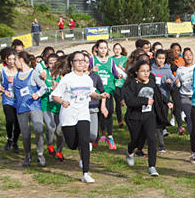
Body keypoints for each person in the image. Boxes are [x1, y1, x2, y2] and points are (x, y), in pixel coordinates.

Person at [51, 51, 101, 183]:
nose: (80, 63)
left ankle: (85, 173)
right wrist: (62, 102)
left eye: (83, 60)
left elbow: (92, 93)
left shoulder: (88, 79)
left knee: (85, 140)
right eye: (77, 60)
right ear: (72, 63)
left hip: (83, 113)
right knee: (73, 145)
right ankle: (61, 128)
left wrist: (101, 95)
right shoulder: (67, 78)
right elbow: (55, 95)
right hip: (68, 114)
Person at [123, 59, 170, 177]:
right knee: (136, 141)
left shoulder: (151, 82)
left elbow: (158, 95)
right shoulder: (131, 84)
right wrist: (145, 101)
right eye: (143, 71)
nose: (146, 73)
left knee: (151, 139)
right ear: (136, 72)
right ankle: (129, 151)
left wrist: (167, 102)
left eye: (148, 71)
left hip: (149, 116)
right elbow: (129, 101)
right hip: (134, 117)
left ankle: (152, 166)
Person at [13, 51, 47, 167]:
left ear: (21, 60)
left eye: (15, 60)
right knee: (26, 134)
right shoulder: (15, 76)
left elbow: (44, 87)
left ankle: (40, 153)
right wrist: (8, 93)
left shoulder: (33, 73)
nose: (14, 63)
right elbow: (15, 93)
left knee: (38, 130)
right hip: (21, 109)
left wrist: (37, 94)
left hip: (34, 107)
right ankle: (27, 155)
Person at [90, 40, 122, 149]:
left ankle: (110, 136)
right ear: (97, 49)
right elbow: (86, 73)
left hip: (108, 91)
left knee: (108, 113)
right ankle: (96, 136)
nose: (103, 50)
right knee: (97, 114)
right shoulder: (92, 60)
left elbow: (115, 73)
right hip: (96, 93)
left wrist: (119, 76)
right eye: (101, 48)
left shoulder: (111, 61)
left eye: (105, 48)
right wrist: (91, 70)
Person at [151, 49, 176, 153]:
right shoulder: (151, 69)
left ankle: (161, 143)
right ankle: (156, 143)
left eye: (163, 59)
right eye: (159, 58)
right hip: (152, 98)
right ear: (155, 58)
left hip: (164, 99)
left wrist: (170, 83)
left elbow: (173, 85)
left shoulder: (168, 70)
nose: (160, 60)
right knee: (152, 121)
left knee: (161, 121)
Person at [0, 48, 21, 153]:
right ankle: (9, 139)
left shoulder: (21, 71)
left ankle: (15, 142)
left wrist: (15, 81)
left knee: (18, 122)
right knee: (9, 120)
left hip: (19, 99)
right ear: (6, 60)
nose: (12, 61)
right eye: (9, 59)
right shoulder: (3, 70)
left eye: (14, 59)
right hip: (7, 98)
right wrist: (0, 88)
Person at [112, 43, 128, 127]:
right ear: (113, 50)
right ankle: (120, 121)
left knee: (126, 102)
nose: (117, 50)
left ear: (121, 50)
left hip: (124, 83)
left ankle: (128, 118)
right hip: (116, 84)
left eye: (119, 49)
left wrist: (122, 69)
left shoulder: (125, 59)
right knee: (118, 102)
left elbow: (129, 71)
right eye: (115, 49)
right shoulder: (110, 59)